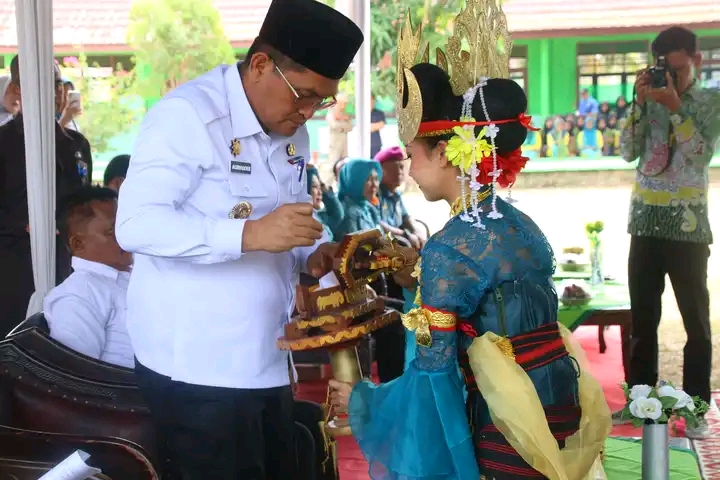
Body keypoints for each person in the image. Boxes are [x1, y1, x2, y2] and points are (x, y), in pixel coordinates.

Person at [328, 2, 610, 478]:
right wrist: (414, 282)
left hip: (505, 428)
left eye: (414, 155)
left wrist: (364, 400)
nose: (411, 170)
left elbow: (432, 380)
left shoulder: (452, 246)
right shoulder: (519, 224)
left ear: (444, 152)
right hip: (557, 403)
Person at [114, 0, 363, 478]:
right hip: (197, 371)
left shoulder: (291, 131)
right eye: (303, 95)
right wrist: (248, 234)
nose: (309, 112)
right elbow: (136, 224)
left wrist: (316, 253)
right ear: (262, 65)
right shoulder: (187, 117)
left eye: (322, 100)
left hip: (269, 358)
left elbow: (287, 222)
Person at [619, 26, 720, 439]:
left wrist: (676, 106)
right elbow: (627, 151)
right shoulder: (648, 97)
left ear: (695, 59)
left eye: (678, 69)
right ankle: (641, 404)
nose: (671, 77)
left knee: (696, 322)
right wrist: (641, 105)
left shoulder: (711, 100)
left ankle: (696, 408)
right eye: (665, 69)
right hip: (644, 222)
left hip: (689, 228)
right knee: (643, 321)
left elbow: (700, 157)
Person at [0, 55, 92, 337]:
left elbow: (86, 202)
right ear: (16, 89)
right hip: (15, 271)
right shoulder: (3, 143)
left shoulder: (75, 144)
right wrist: (25, 224)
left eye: (56, 84)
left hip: (69, 268)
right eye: (41, 84)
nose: (53, 92)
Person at [45, 186, 134, 368]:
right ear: (78, 243)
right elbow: (73, 373)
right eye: (112, 231)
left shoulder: (132, 274)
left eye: (125, 226)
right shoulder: (81, 293)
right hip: (129, 392)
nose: (126, 236)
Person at [334, 158, 383, 238]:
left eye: (376, 179)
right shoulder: (348, 213)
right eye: (368, 179)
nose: (374, 185)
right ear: (353, 181)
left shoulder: (367, 206)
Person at [306, 164, 343, 240]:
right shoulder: (300, 224)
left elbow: (337, 214)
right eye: (314, 186)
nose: (320, 192)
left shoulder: (319, 217)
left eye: (320, 187)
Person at [370, 93, 386, 158]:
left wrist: (370, 126)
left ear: (374, 100)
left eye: (371, 99)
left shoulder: (379, 113)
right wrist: (374, 126)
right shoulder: (362, 112)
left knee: (376, 164)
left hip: (376, 144)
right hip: (363, 145)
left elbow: (381, 125)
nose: (370, 101)